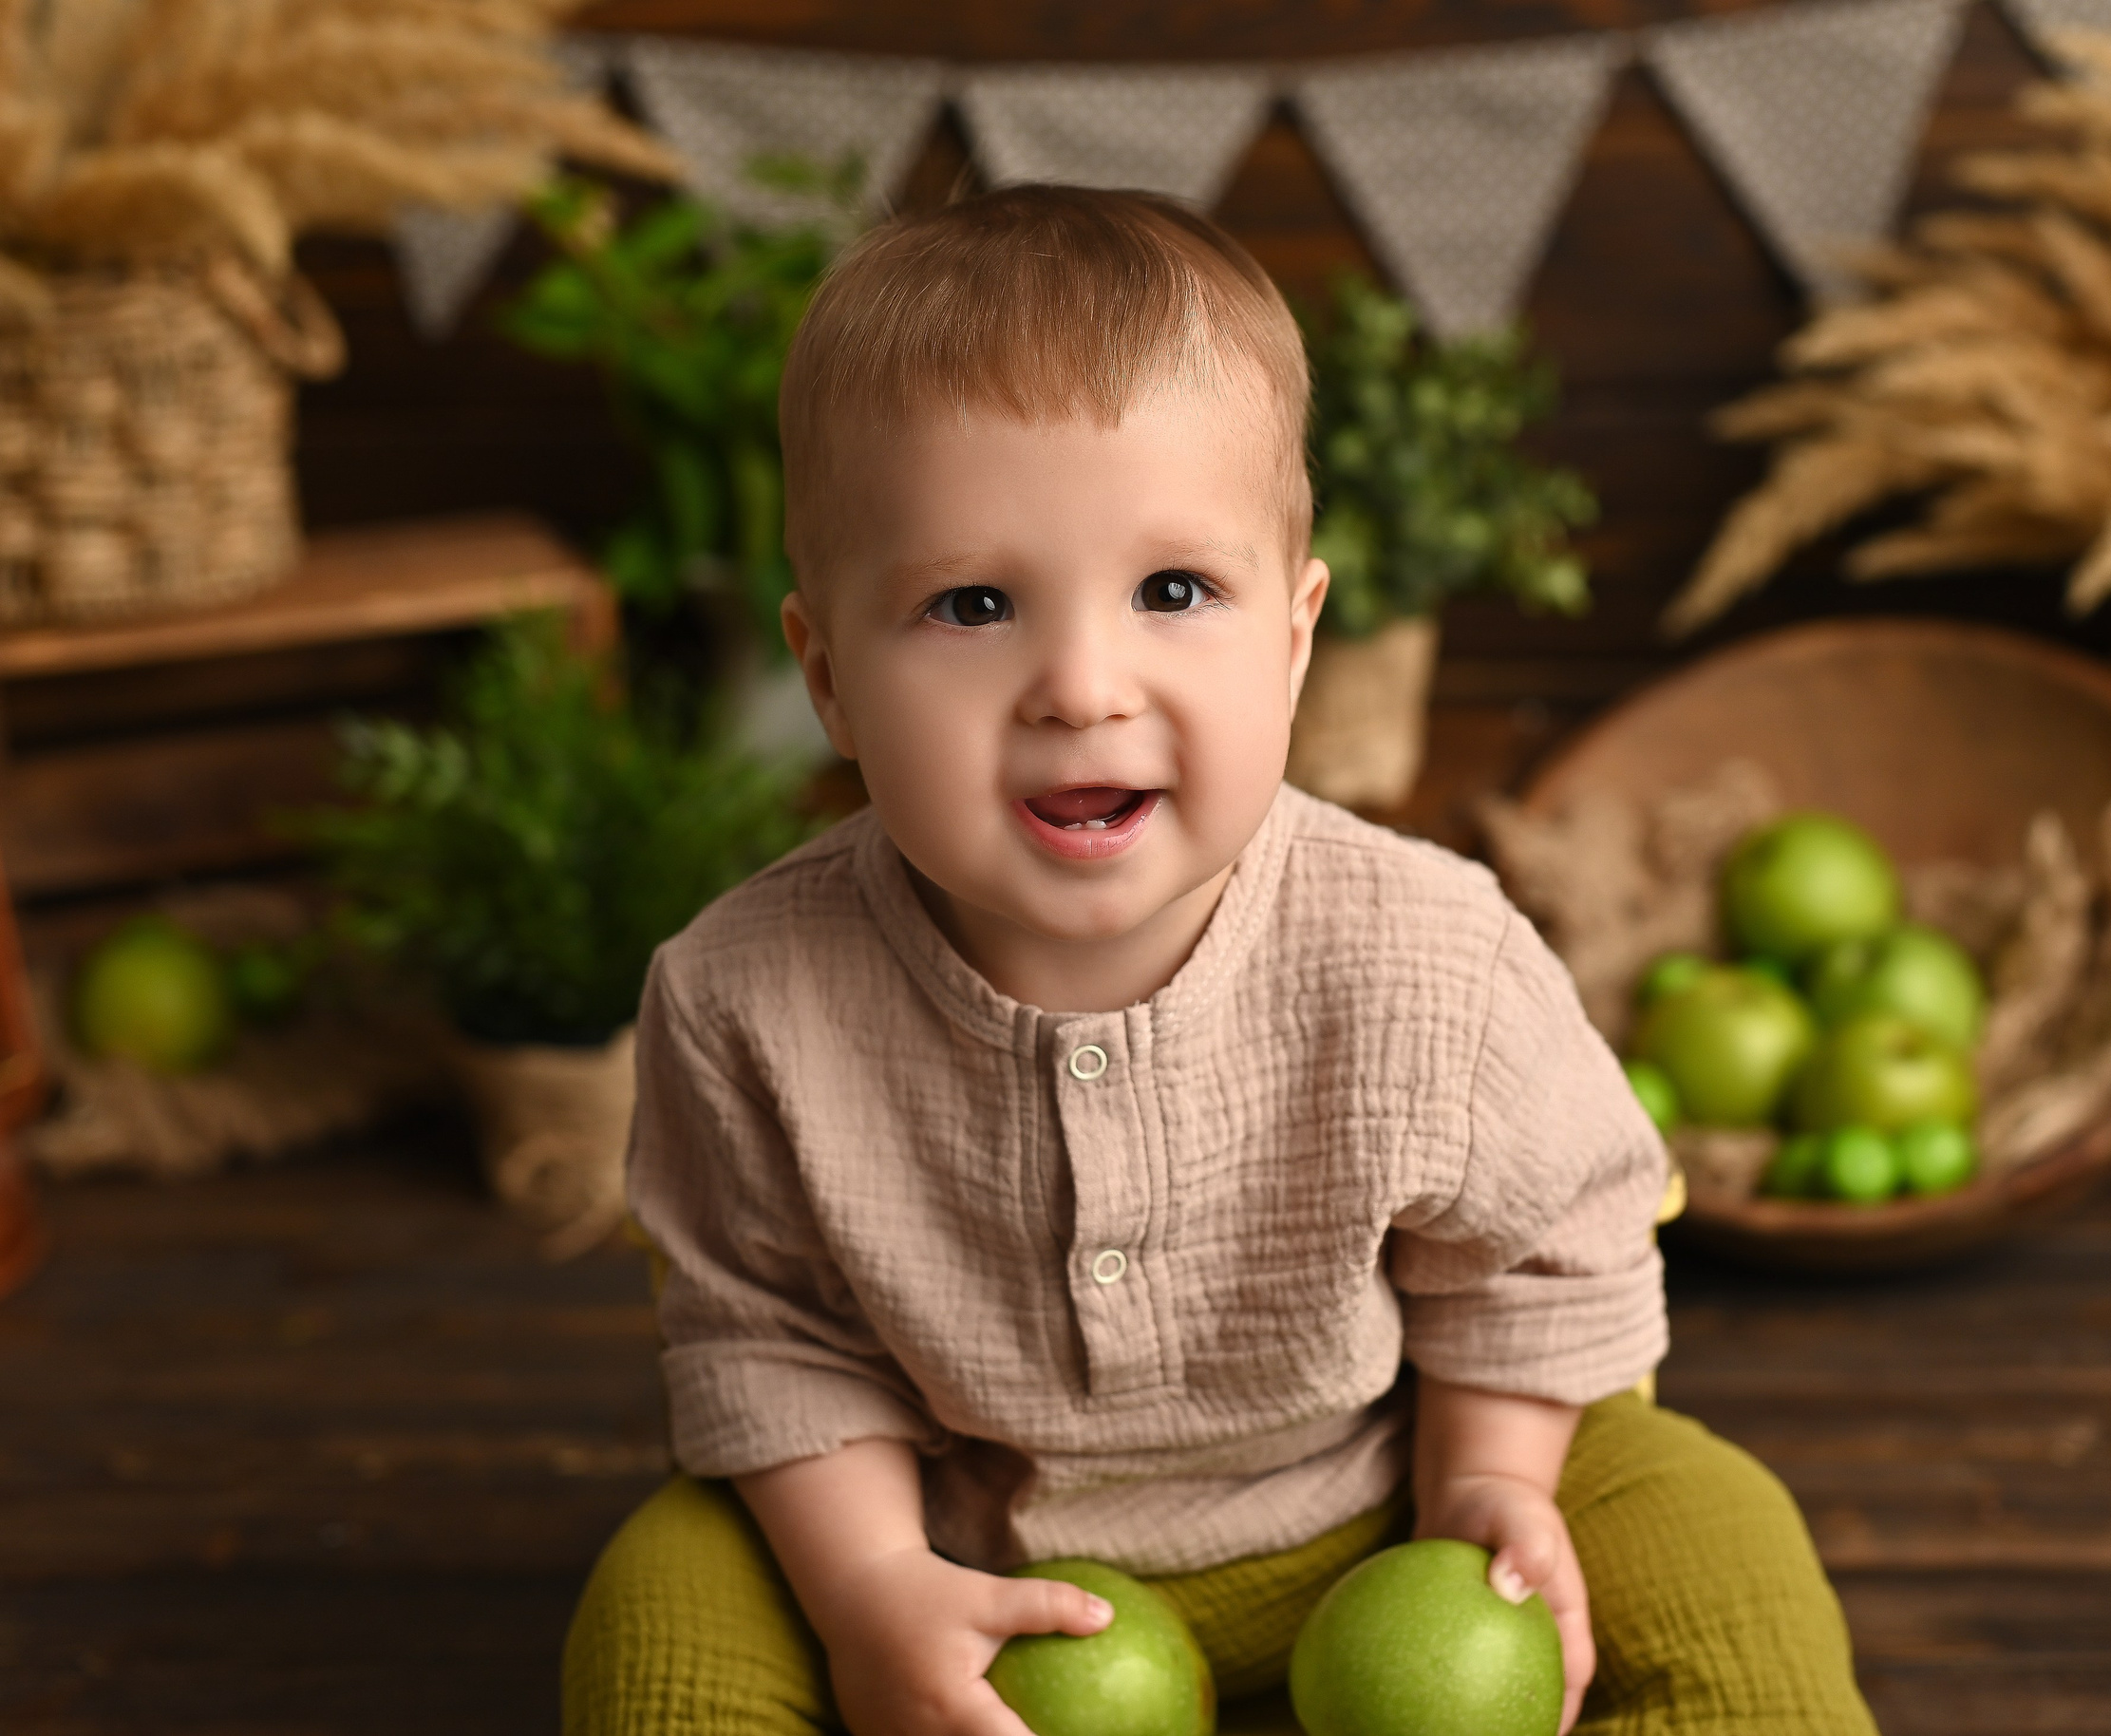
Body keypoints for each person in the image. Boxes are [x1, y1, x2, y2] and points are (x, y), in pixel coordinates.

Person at [563, 184, 1875, 1736]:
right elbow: (767, 1334)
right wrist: (868, 1591)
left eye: (1173, 591)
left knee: (1724, 1537)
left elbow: (1542, 1256)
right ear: (831, 678)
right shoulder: (742, 999)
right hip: (949, 1533)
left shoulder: (1432, 957)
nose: (1080, 684)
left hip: (1379, 1503)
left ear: (1297, 635)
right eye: (973, 605)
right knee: (661, 1612)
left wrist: (1488, 1491)